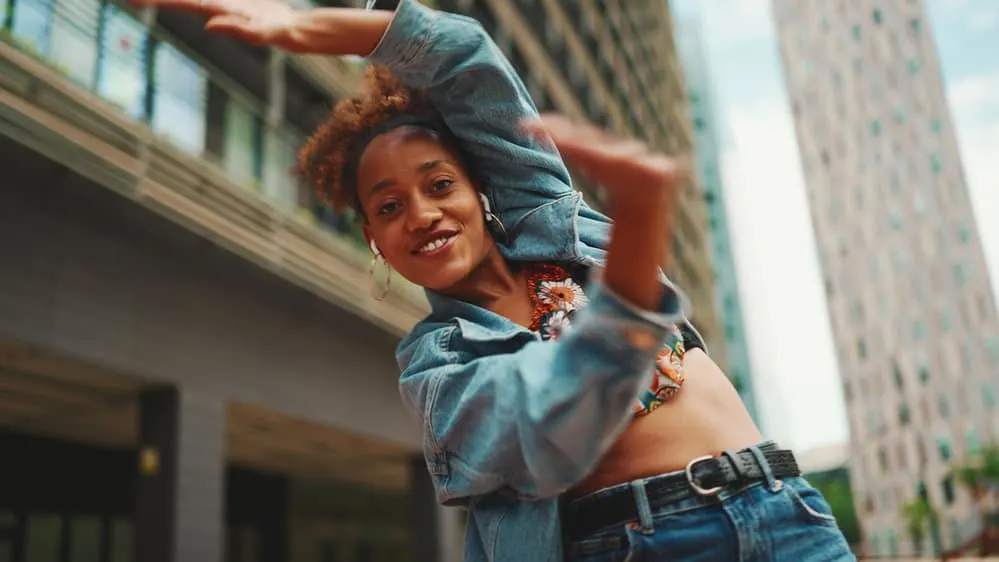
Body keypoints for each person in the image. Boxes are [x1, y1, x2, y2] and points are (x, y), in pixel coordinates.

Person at [131, 0, 856, 560]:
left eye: (439, 183)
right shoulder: (438, 363)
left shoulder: (556, 227)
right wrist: (635, 258)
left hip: (785, 506)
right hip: (642, 541)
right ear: (374, 239)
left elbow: (462, 57)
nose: (421, 213)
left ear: (482, 192)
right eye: (388, 207)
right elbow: (547, 427)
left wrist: (311, 25)